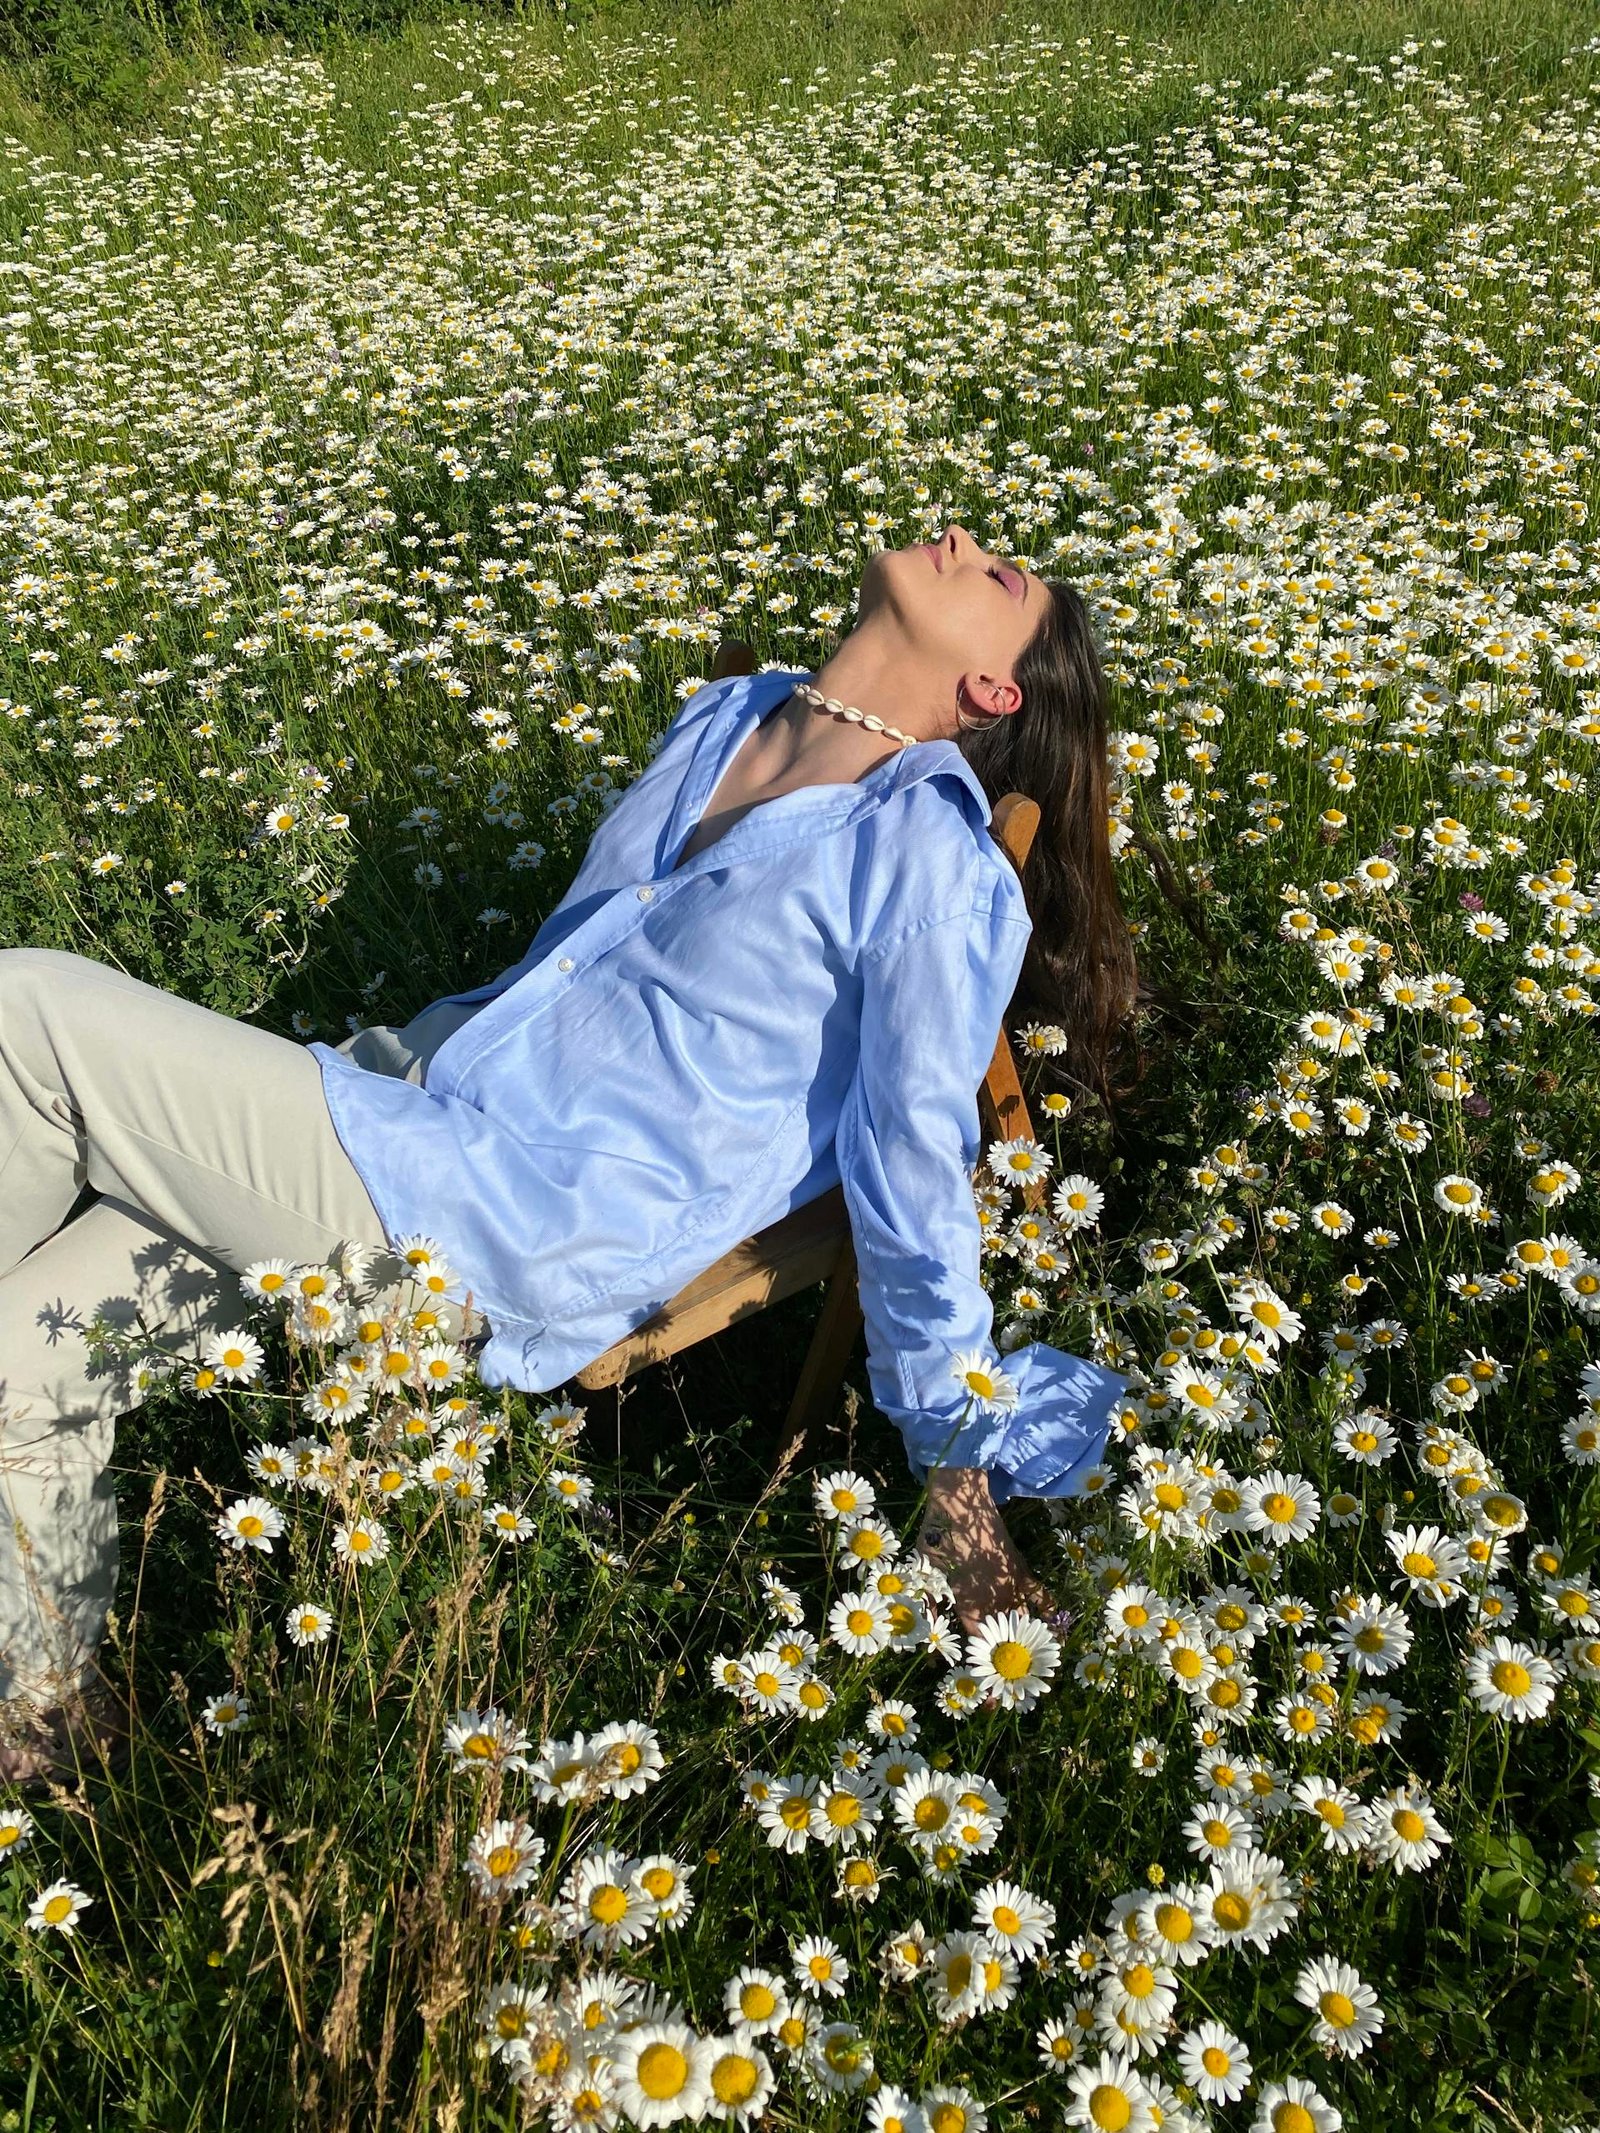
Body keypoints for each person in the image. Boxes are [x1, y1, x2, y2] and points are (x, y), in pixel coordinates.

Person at [0, 523, 1140, 1785]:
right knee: (15, 1361)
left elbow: (910, 1162)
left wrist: (955, 1477)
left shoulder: (925, 858)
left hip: (504, 1217)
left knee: (26, 1012)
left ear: (991, 691)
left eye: (1001, 577)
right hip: (408, 1090)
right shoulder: (730, 717)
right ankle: (48, 1731)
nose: (963, 539)